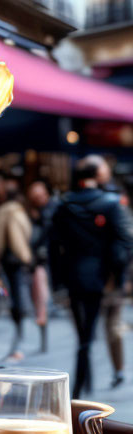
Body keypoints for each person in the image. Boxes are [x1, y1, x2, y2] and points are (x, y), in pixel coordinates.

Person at [50, 156, 133, 398]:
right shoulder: (111, 203)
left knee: (84, 335)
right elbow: (125, 241)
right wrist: (117, 273)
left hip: (73, 276)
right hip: (102, 278)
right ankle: (79, 391)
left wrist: (57, 281)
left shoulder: (64, 205)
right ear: (96, 175)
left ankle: (81, 387)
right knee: (88, 335)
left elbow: (54, 245)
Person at [86, 155, 129, 387]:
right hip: (100, 273)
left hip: (109, 274)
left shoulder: (112, 199)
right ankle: (98, 371)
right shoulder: (106, 199)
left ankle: (117, 369)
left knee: (111, 324)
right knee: (101, 326)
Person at [0, 178, 32, 361]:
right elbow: (26, 233)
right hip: (20, 258)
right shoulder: (20, 211)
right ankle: (21, 326)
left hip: (9, 258)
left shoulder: (2, 212)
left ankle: (18, 327)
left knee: (14, 294)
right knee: (19, 291)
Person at [27, 181, 57, 354]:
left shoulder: (50, 211)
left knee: (42, 301)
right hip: (41, 262)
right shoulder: (38, 213)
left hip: (48, 263)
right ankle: (43, 339)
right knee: (41, 301)